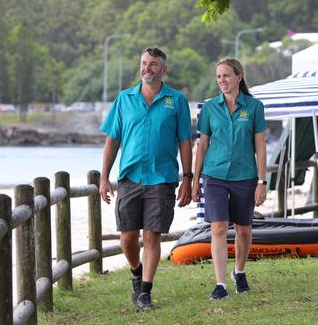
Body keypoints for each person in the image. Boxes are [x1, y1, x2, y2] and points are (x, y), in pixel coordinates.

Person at [99, 47, 193, 312]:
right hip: (129, 178)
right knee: (127, 238)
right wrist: (104, 177)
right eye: (144, 63)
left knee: (152, 236)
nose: (147, 68)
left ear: (164, 69)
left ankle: (145, 293)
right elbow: (112, 140)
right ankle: (136, 273)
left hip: (162, 179)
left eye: (153, 65)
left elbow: (185, 140)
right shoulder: (124, 99)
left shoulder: (176, 101)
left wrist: (187, 178)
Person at [191, 58, 267, 300]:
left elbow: (261, 146)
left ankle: (240, 272)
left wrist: (262, 181)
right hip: (214, 175)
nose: (222, 80)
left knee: (244, 230)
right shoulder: (210, 108)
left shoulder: (254, 107)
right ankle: (220, 284)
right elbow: (202, 146)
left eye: (226, 75)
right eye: (218, 77)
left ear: (239, 76)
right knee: (219, 227)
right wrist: (194, 180)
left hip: (245, 176)